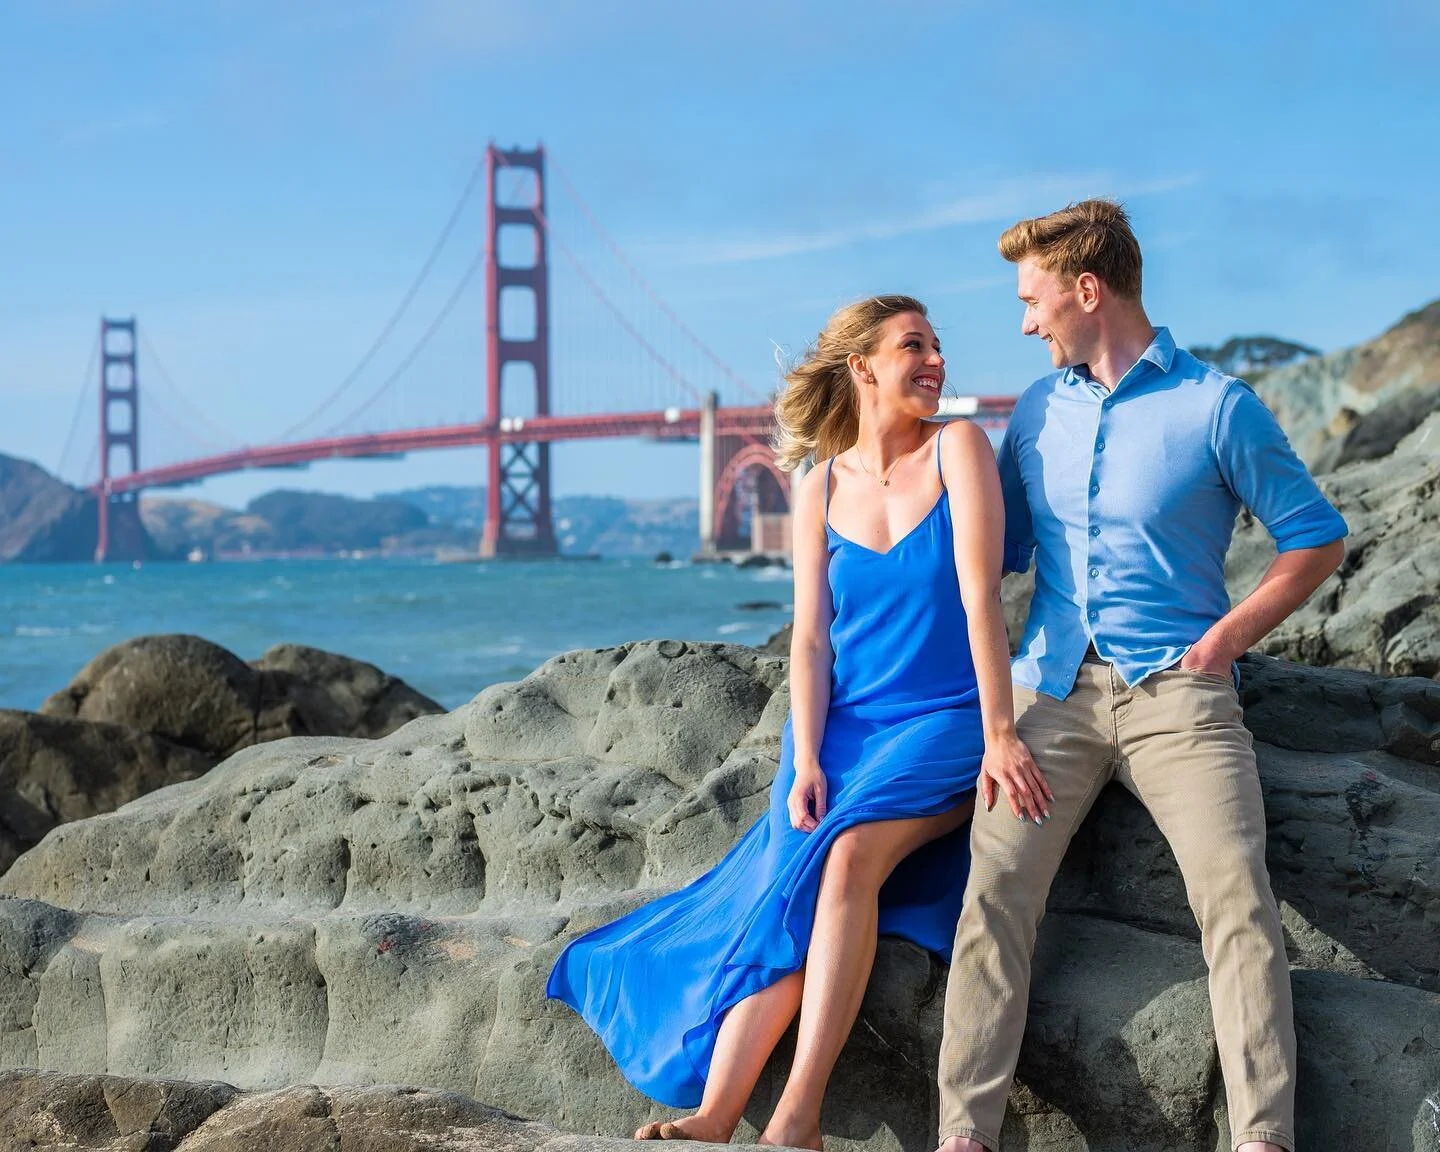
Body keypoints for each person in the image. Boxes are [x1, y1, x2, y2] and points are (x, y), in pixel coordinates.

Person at [548, 295, 1045, 1150]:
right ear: (862, 368)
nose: (934, 362)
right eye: (912, 346)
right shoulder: (817, 483)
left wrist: (1001, 732)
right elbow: (810, 641)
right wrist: (805, 754)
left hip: (945, 719)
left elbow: (980, 600)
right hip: (842, 726)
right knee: (788, 892)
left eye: (936, 346)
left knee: (846, 857)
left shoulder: (959, 448)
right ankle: (713, 1117)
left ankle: (797, 1117)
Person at [935, 201, 1347, 1152]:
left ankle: (1262, 1139)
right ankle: (964, 1136)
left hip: (1182, 695)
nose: (1025, 322)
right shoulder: (1037, 411)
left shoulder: (1217, 407)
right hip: (1048, 695)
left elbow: (1316, 538)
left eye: (1033, 300)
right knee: (992, 895)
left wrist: (1223, 644)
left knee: (1238, 896)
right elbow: (992, 558)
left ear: (1088, 290)